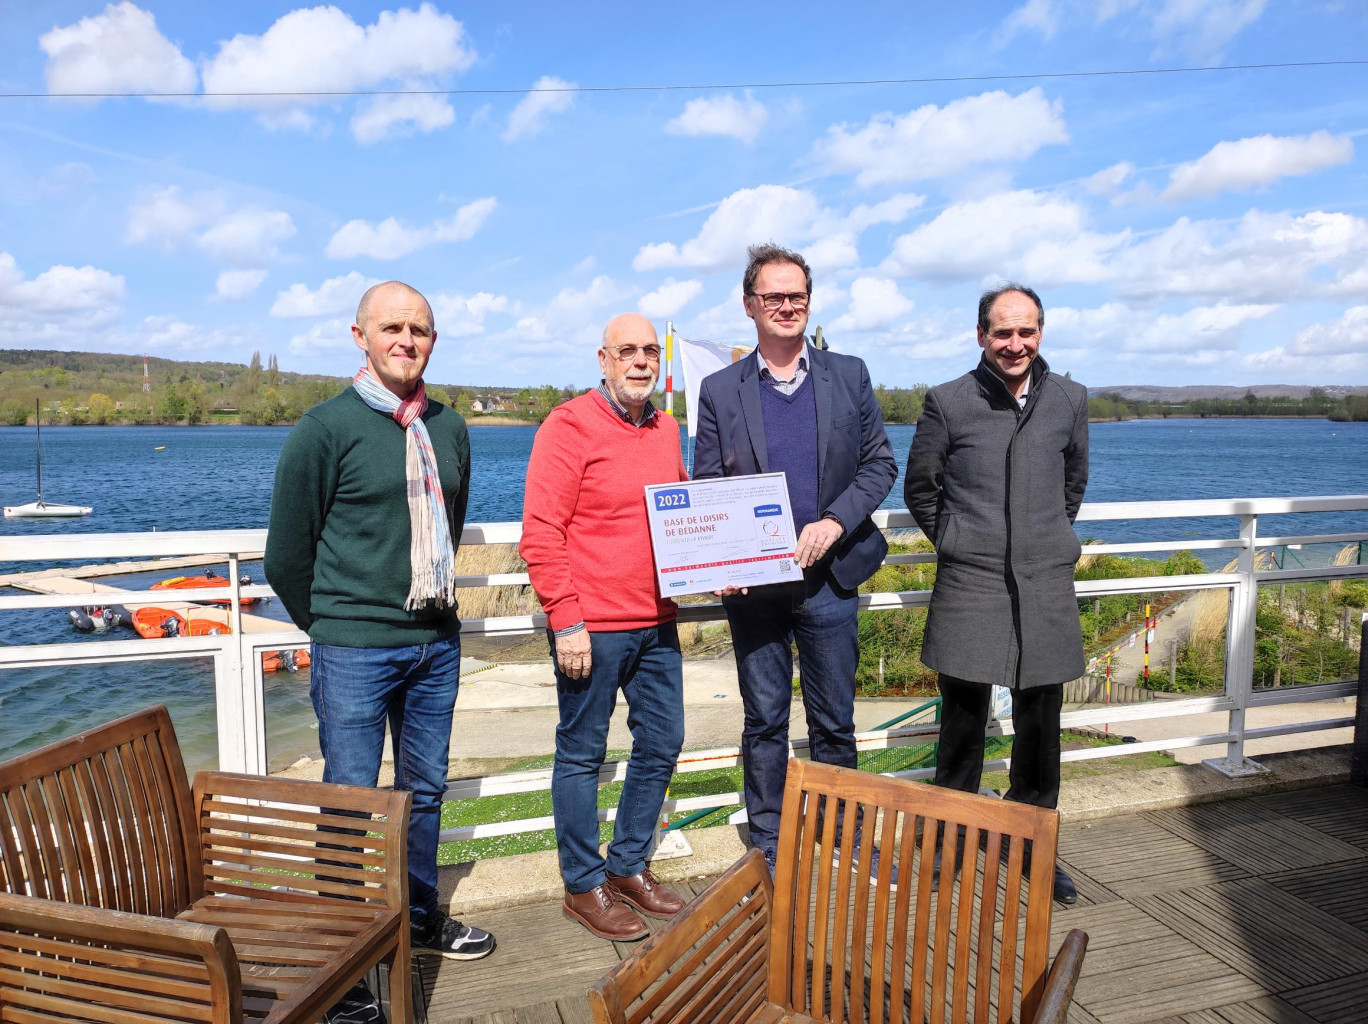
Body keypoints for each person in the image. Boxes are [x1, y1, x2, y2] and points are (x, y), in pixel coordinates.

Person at [265, 281, 495, 1024]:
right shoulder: (322, 429)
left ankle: (419, 918)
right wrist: (336, 624)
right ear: (358, 335)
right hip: (354, 649)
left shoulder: (450, 427)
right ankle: (342, 962)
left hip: (434, 642)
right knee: (351, 803)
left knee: (423, 794)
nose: (407, 339)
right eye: (391, 327)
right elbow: (284, 558)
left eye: (420, 329)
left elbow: (448, 525)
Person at [693, 244, 897, 872]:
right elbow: (704, 486)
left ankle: (845, 835)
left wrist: (835, 521)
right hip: (755, 589)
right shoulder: (720, 390)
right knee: (765, 722)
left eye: (797, 296)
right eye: (773, 297)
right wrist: (720, 563)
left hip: (831, 581)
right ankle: (769, 842)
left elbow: (880, 464)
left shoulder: (850, 374)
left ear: (809, 302)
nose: (786, 306)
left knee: (835, 720)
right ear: (750, 305)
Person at [903, 284, 1088, 904]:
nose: (1016, 345)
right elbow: (920, 489)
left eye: (1027, 332)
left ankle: (1032, 846)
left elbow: (1073, 485)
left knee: (1041, 728)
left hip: (1044, 585)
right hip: (971, 584)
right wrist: (959, 541)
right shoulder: (949, 402)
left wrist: (1046, 538)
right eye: (1003, 333)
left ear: (1041, 333)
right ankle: (948, 845)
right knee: (962, 726)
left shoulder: (1069, 399)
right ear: (981, 334)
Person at [520, 313, 692, 941]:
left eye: (650, 351)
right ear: (603, 358)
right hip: (591, 628)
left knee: (662, 741)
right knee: (583, 754)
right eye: (628, 351)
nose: (641, 361)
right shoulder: (567, 426)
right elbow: (540, 531)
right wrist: (565, 619)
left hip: (657, 622)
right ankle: (583, 883)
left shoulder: (667, 427)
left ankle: (627, 866)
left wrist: (721, 556)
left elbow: (679, 510)